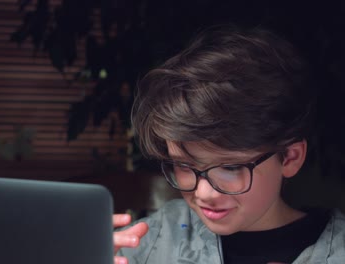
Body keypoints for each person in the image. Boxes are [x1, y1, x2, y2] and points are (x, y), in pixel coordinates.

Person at [112, 25, 345, 264]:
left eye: (231, 167)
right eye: (183, 165)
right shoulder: (154, 238)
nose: (204, 193)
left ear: (289, 157)